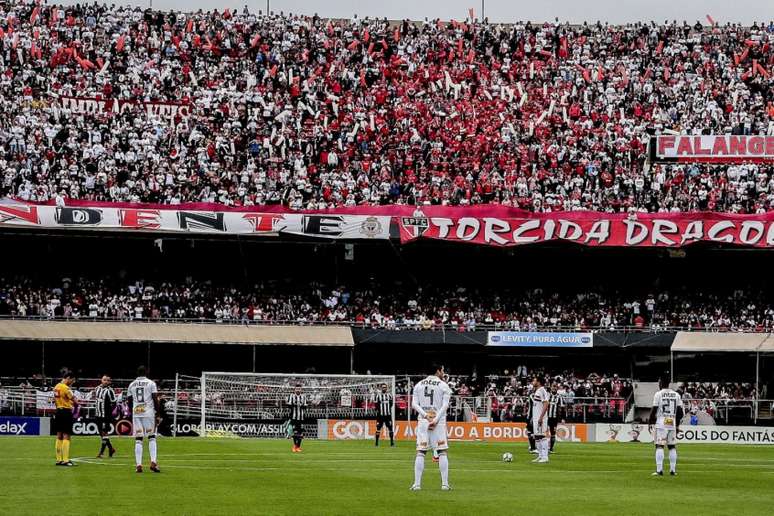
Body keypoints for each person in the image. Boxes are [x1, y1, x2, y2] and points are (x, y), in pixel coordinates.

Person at [410, 364, 452, 491]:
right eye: (442, 370)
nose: (443, 373)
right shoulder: (444, 385)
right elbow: (445, 406)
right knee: (442, 451)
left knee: (421, 452)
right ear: (438, 371)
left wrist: (426, 416)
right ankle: (444, 484)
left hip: (423, 422)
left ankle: (417, 484)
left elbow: (414, 404)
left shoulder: (418, 385)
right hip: (438, 422)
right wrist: (435, 419)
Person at [127, 366, 160, 473]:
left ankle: (138, 465)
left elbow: (129, 400)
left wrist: (133, 411)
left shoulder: (131, 384)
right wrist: (158, 414)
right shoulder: (151, 383)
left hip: (137, 413)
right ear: (147, 372)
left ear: (137, 373)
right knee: (151, 437)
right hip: (148, 413)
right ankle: (153, 462)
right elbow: (155, 398)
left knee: (138, 439)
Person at [649, 375, 683, 476]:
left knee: (660, 445)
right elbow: (680, 412)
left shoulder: (658, 394)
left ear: (662, 382)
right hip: (671, 421)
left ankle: (659, 470)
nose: (658, 383)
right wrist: (676, 425)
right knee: (672, 446)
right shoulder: (676, 395)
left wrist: (650, 422)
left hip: (661, 422)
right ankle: (672, 470)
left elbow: (654, 409)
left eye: (659, 382)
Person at [53, 371, 78, 466]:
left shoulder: (56, 387)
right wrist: (75, 403)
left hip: (58, 411)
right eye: (72, 380)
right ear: (68, 378)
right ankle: (66, 460)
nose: (72, 382)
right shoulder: (66, 388)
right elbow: (75, 401)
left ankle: (59, 459)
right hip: (66, 412)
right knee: (66, 435)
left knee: (59, 435)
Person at [94, 375, 117, 458]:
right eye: (104, 380)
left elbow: (114, 402)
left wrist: (109, 411)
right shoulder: (97, 388)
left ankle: (101, 452)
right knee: (101, 434)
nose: (106, 382)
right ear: (101, 380)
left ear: (109, 382)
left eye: (107, 380)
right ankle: (111, 449)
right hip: (98, 414)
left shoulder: (110, 391)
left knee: (104, 433)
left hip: (105, 415)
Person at [531, 376, 550, 464]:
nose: (532, 382)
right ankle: (540, 456)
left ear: (538, 382)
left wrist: (541, 417)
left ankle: (545, 457)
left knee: (542, 436)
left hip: (540, 418)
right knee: (537, 437)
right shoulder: (537, 391)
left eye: (534, 380)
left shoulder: (542, 390)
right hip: (536, 418)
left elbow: (546, 404)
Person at [287, 385, 307, 452]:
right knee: (295, 433)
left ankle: (298, 447)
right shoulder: (291, 396)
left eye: (299, 389)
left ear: (301, 390)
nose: (298, 390)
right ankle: (295, 446)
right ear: (294, 389)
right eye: (297, 389)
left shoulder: (304, 396)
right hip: (294, 417)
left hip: (301, 417)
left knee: (300, 433)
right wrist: (295, 404)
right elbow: (289, 406)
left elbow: (305, 407)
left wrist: (301, 405)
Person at [547, 383, 564, 454]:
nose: (554, 388)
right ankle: (541, 448)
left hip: (554, 418)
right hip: (546, 417)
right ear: (551, 388)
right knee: (543, 432)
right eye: (553, 387)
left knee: (553, 433)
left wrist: (563, 418)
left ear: (557, 388)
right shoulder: (547, 395)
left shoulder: (559, 397)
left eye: (555, 387)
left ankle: (551, 449)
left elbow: (562, 408)